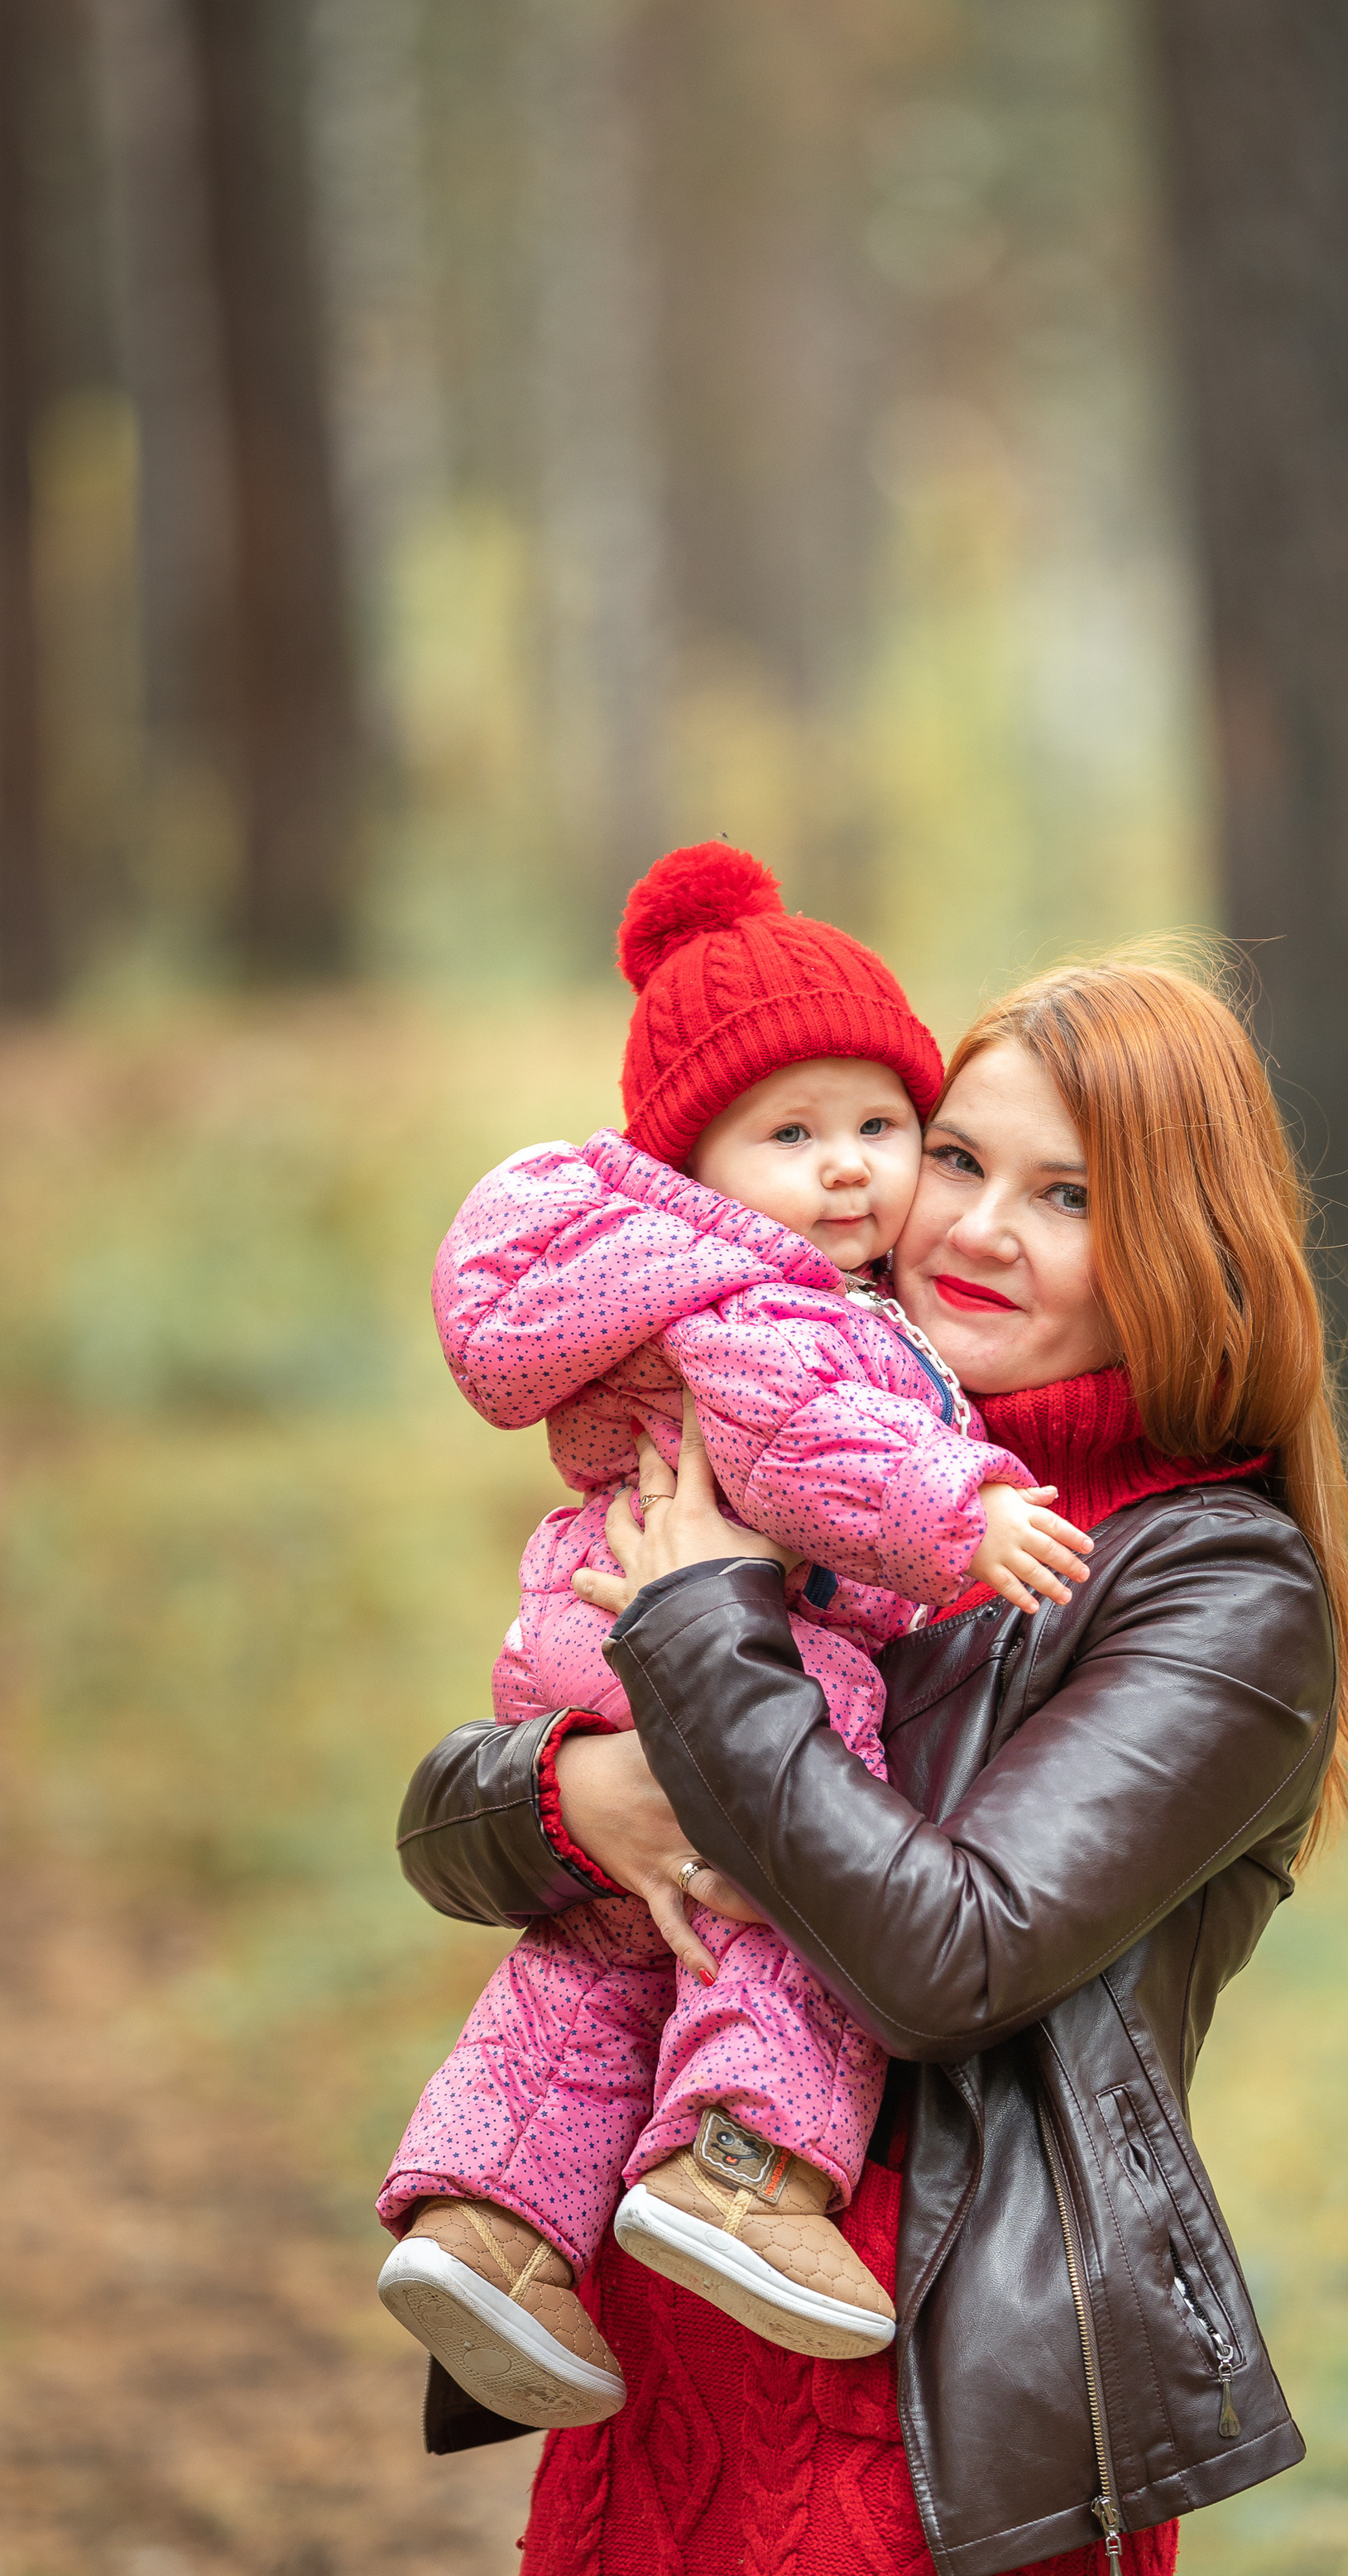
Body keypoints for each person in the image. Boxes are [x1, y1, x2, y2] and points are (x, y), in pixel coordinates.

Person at [395, 954, 1348, 2576]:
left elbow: (946, 1957)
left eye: (1068, 1195)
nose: (972, 1228)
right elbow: (444, 1823)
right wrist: (582, 1796)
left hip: (943, 2417)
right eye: (956, 1159)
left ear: (1184, 1249)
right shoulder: (820, 1462)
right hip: (680, 2331)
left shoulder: (1213, 1590)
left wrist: (703, 1628)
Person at [376, 844, 1093, 2420]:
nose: (849, 1175)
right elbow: (801, 1446)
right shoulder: (760, 1303)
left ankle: (487, 2224)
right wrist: (963, 1509)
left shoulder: (695, 1284)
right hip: (725, 1625)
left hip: (597, 1626)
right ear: (692, 1168)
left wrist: (580, 1792)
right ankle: (746, 2164)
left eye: (882, 1129)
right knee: (785, 1868)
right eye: (792, 1135)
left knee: (607, 1955)